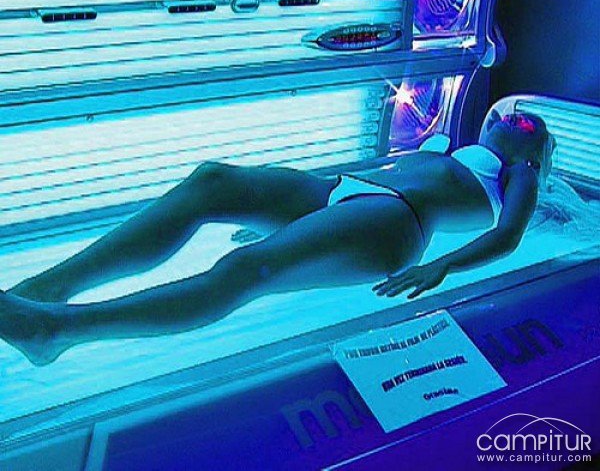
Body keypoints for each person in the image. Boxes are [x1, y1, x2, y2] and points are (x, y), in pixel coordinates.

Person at [0, 111, 556, 366]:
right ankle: (48, 288)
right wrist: (295, 218)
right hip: (349, 192)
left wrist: (444, 265)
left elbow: (508, 235)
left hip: (395, 220)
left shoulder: (519, 174)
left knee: (245, 270)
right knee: (213, 182)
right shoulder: (451, 149)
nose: (516, 117)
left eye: (531, 124)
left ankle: (56, 330)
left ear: (538, 154)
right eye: (511, 115)